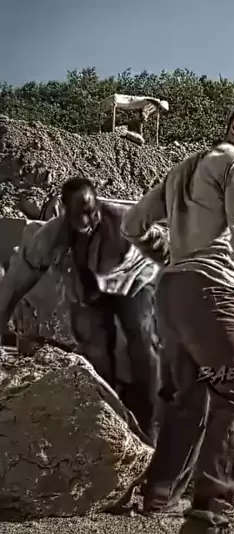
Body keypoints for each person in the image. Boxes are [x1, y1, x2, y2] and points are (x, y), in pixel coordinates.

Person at [121, 102, 234, 533]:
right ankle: (209, 513)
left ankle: (159, 495)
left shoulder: (181, 171)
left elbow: (133, 224)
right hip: (211, 289)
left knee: (189, 399)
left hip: (172, 293)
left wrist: (169, 253)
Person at [0, 177, 167, 442]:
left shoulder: (125, 220)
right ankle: (106, 418)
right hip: (90, 291)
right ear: (66, 211)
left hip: (134, 282)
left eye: (92, 210)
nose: (89, 219)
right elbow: (22, 275)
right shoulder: (53, 234)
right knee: (94, 349)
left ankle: (150, 423)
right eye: (80, 214)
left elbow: (166, 249)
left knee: (143, 344)